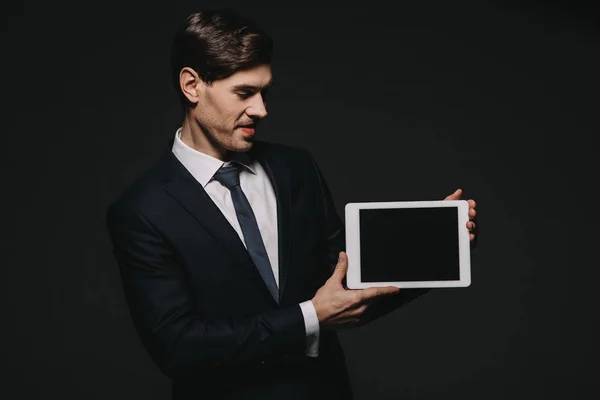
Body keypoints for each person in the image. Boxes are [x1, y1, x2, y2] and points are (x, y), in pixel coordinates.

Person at [105, 8, 477, 400]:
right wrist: (310, 316)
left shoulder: (295, 168)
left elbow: (344, 287)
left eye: (265, 92)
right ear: (192, 86)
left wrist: (431, 248)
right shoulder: (142, 210)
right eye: (245, 93)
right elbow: (177, 346)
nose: (262, 109)